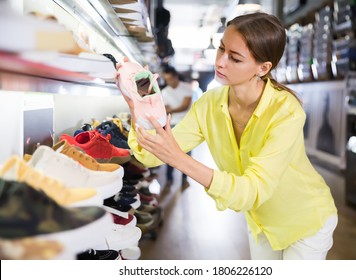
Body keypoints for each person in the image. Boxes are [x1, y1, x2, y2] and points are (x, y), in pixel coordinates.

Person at [119, 12, 338, 260]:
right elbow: (148, 154)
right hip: (262, 223)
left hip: (305, 222)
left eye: (234, 58)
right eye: (221, 49)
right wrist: (138, 103)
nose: (220, 62)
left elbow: (252, 190)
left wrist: (179, 158)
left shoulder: (286, 111)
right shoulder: (210, 104)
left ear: (263, 68)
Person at [160, 65, 193, 190]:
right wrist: (171, 110)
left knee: (186, 153)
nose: (169, 82)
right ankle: (169, 178)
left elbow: (185, 106)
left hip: (186, 124)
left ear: (175, 77)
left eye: (170, 79)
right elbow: (166, 109)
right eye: (167, 79)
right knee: (170, 152)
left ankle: (184, 179)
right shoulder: (164, 92)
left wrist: (171, 110)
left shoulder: (186, 88)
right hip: (172, 125)